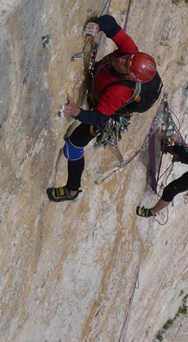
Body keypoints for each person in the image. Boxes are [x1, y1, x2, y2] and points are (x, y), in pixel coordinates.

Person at [47, 15, 157, 202]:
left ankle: (72, 190)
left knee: (72, 147)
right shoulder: (130, 52)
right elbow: (111, 24)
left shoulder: (119, 92)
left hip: (105, 115)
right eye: (125, 58)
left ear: (130, 78)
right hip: (99, 95)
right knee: (69, 149)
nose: (121, 60)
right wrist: (97, 26)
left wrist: (76, 112)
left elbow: (98, 118)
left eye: (125, 65)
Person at [136, 117, 188, 217]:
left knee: (171, 190)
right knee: (180, 150)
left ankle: (150, 212)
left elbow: (186, 159)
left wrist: (178, 143)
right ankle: (164, 147)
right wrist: (178, 149)